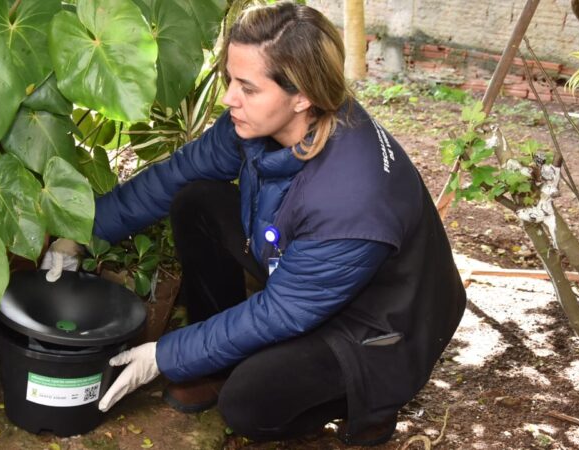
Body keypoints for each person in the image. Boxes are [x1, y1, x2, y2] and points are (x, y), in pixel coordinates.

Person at [43, 1, 467, 445]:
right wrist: (82, 233)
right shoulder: (266, 120)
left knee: (250, 403)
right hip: (307, 270)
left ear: (301, 93)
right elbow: (180, 172)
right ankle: (214, 365)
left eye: (247, 87)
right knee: (197, 200)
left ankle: (368, 404)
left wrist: (165, 355)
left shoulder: (351, 197)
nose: (229, 98)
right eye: (230, 79)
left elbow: (283, 311)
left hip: (383, 325)